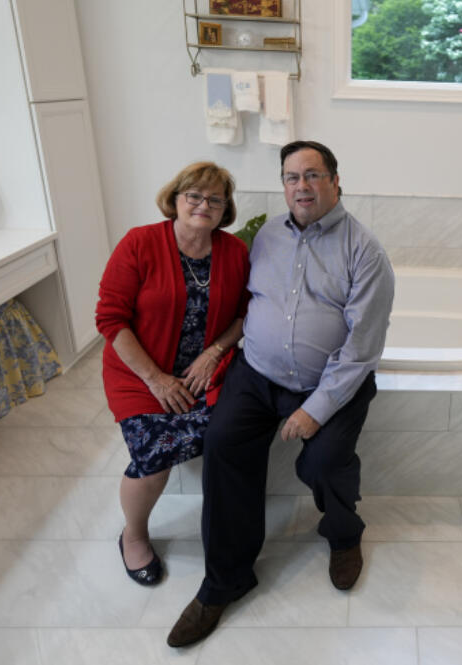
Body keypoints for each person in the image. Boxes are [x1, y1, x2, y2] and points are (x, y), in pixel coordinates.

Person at [167, 141, 394, 648]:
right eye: (292, 177)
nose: (302, 186)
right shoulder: (268, 235)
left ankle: (343, 533)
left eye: (313, 175)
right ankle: (225, 580)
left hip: (330, 381)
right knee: (224, 445)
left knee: (322, 462)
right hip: (258, 372)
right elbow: (249, 305)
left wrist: (315, 411)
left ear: (336, 182)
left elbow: (361, 351)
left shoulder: (364, 250)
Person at [95, 161, 250, 587]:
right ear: (175, 200)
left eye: (214, 199)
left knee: (236, 427)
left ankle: (227, 527)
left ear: (225, 209)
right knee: (156, 455)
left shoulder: (234, 253)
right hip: (140, 374)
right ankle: (134, 534)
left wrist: (215, 352)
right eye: (194, 196)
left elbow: (245, 313)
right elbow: (111, 320)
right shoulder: (140, 243)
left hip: (208, 373)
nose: (203, 205)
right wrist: (156, 379)